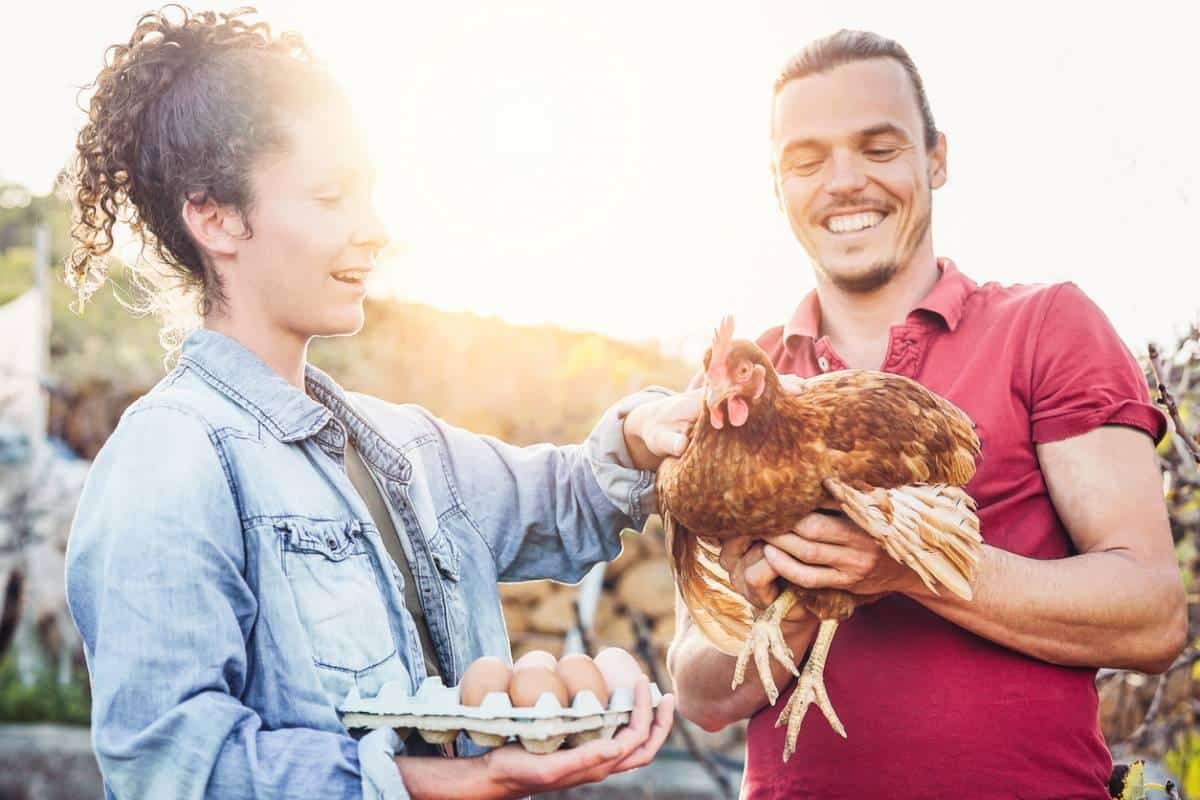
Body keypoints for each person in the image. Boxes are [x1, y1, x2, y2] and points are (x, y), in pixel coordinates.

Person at [62, 7, 694, 799]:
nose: (373, 230)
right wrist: (451, 781)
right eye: (332, 197)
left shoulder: (401, 447)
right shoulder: (169, 459)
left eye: (369, 195)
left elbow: (565, 495)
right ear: (213, 215)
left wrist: (644, 435)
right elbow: (171, 766)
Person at [666, 29, 1188, 799]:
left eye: (878, 148)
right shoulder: (740, 392)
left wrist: (912, 565)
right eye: (808, 159)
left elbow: (1150, 615)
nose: (844, 182)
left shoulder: (1046, 327)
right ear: (776, 186)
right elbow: (700, 691)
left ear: (936, 158)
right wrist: (797, 600)